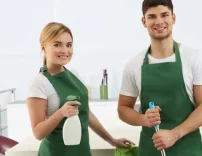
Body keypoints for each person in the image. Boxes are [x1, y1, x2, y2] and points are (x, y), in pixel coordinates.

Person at [117, 0, 202, 155]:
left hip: (188, 150)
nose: (159, 22)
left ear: (173, 18)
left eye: (164, 15)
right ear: (144, 21)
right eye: (152, 17)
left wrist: (174, 134)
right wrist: (143, 119)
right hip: (150, 151)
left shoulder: (193, 58)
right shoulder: (134, 65)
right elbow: (123, 108)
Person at [26, 22, 134, 156]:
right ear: (43, 47)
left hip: (81, 152)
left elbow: (86, 113)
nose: (65, 50)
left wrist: (112, 141)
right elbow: (38, 132)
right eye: (57, 44)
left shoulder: (74, 74)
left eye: (69, 45)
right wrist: (61, 113)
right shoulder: (39, 83)